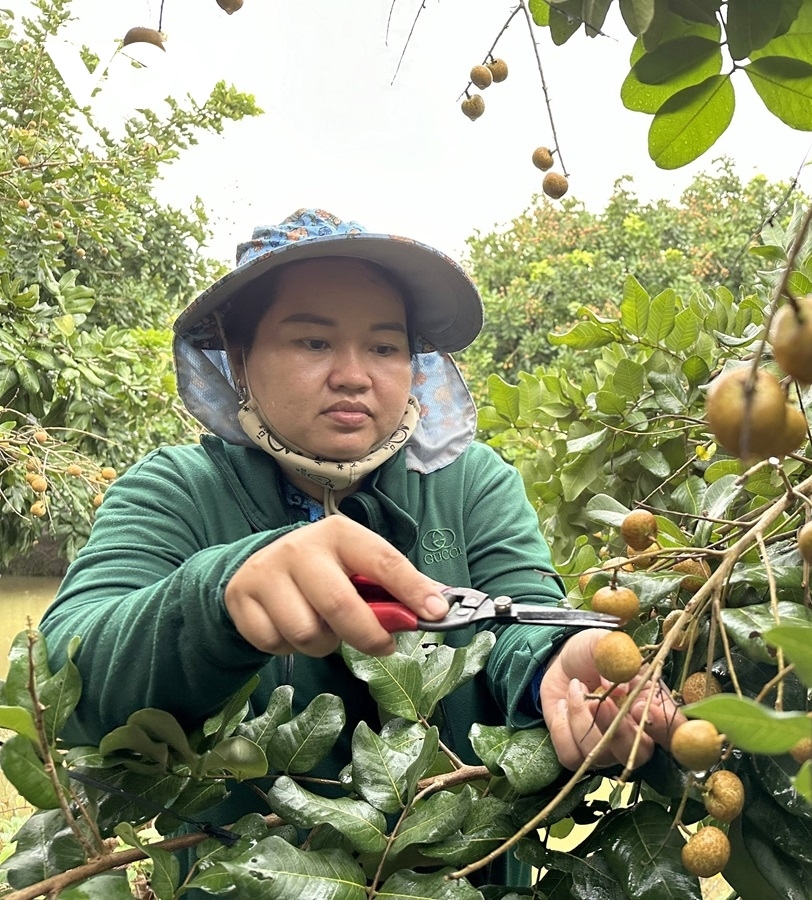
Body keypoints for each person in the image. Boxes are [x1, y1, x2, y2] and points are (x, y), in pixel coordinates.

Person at [40, 208, 677, 884]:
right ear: (239, 357)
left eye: (384, 346)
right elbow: (64, 678)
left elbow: (517, 617)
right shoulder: (177, 490)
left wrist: (557, 662)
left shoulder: (471, 485)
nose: (353, 374)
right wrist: (220, 597)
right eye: (313, 343)